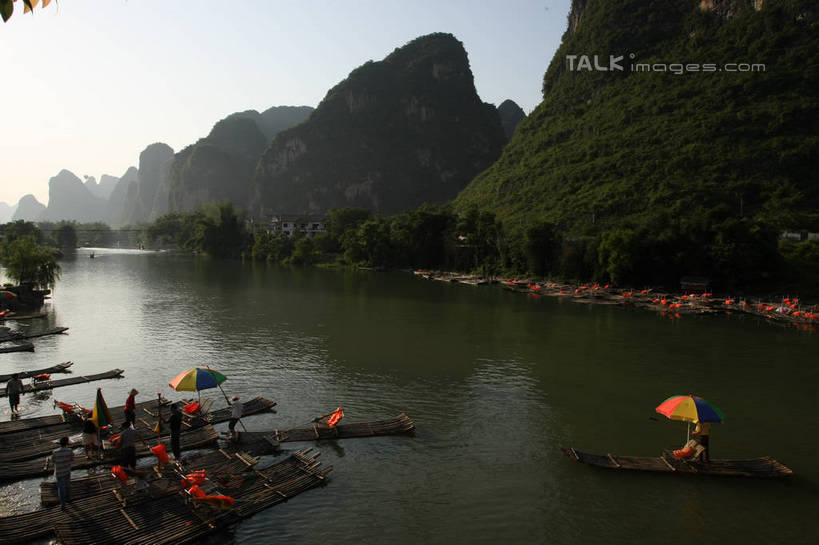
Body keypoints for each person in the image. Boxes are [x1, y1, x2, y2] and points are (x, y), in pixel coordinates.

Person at [52, 436, 74, 510]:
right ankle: (69, 499)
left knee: (61, 488)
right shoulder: (70, 451)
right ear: (67, 443)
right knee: (67, 485)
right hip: (67, 470)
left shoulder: (55, 452)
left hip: (59, 472)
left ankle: (63, 504)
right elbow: (72, 459)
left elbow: (54, 461)